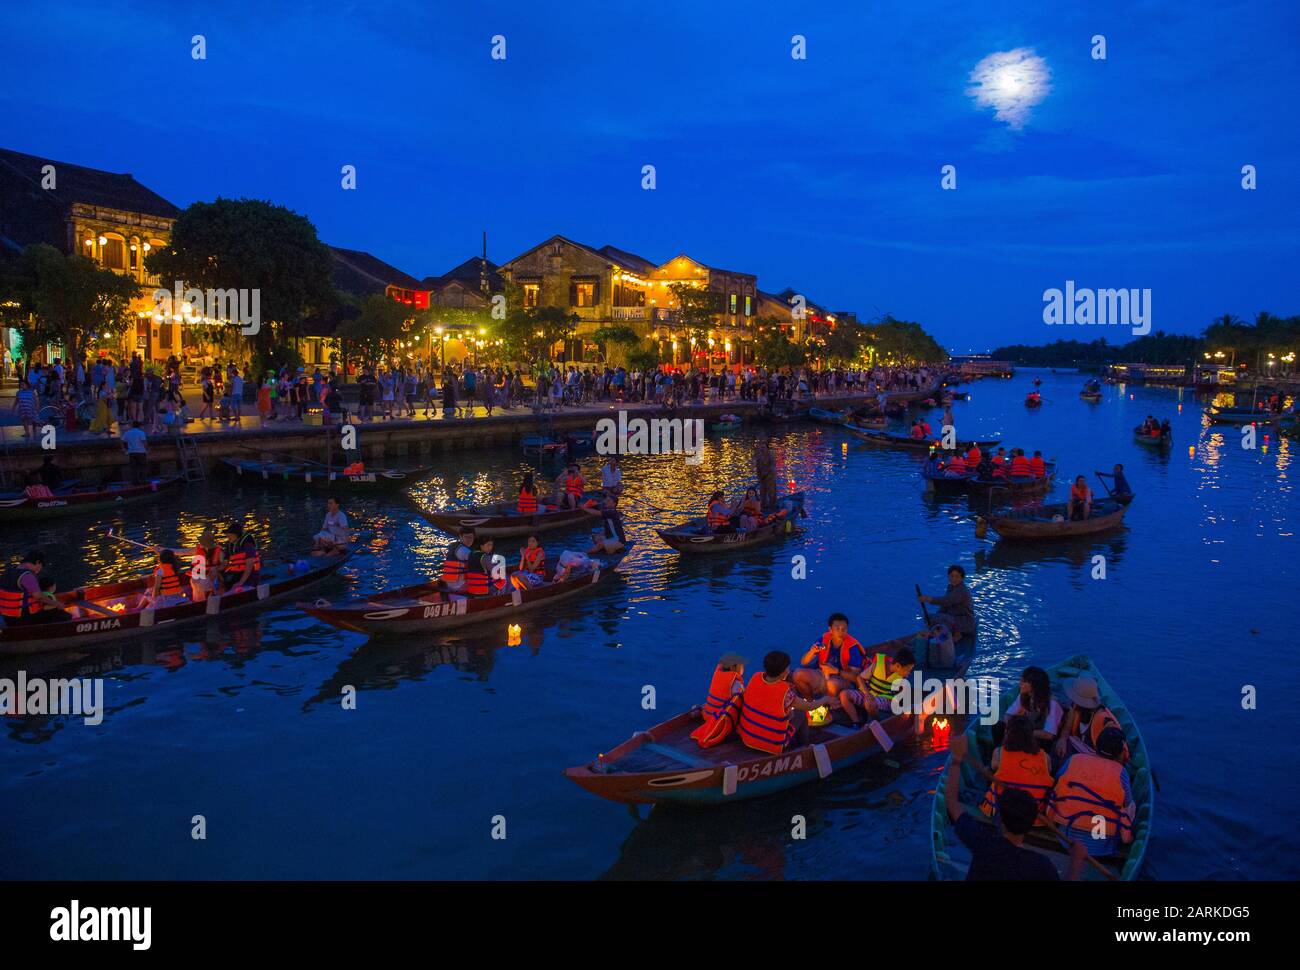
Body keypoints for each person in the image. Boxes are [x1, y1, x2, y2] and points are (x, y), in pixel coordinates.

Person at [943, 733, 1061, 881]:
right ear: (1031, 823)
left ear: (1001, 819)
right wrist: (1076, 860)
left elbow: (951, 802)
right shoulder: (1042, 866)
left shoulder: (982, 842)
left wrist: (956, 760)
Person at [1048, 726, 1135, 880]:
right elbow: (1128, 803)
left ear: (1096, 745)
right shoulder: (1121, 772)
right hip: (1102, 845)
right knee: (1130, 805)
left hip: (1066, 836)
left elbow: (1056, 782)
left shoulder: (1074, 759)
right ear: (1120, 752)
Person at [737, 650, 831, 754]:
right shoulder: (786, 693)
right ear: (782, 672)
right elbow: (809, 706)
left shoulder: (755, 678)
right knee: (800, 713)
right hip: (772, 743)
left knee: (790, 713)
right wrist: (825, 699)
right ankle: (804, 745)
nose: (789, 670)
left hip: (748, 736)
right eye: (787, 668)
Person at [794, 612, 869, 725]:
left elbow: (855, 678)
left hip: (843, 680)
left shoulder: (852, 648)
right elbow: (803, 661)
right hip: (823, 675)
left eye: (844, 629)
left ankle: (825, 713)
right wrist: (812, 652)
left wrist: (836, 671)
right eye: (837, 628)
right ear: (830, 629)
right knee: (797, 674)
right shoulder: (824, 640)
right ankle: (813, 706)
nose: (841, 632)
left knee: (831, 684)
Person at [977, 716, 1054, 818]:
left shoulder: (999, 753)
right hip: (1034, 816)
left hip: (1002, 811)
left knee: (990, 771)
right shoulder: (1045, 757)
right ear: (1031, 736)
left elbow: (993, 767)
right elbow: (1049, 771)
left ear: (1008, 733)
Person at [1052, 674, 1128, 764]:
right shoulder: (1076, 707)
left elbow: (1119, 753)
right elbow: (1068, 724)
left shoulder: (1105, 721)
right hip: (1077, 747)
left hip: (1096, 759)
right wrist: (1063, 739)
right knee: (1056, 749)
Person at [1002, 666, 1063, 748]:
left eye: (1023, 681)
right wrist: (1011, 728)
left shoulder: (1052, 703)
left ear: (1034, 685)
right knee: (998, 727)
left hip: (1043, 741)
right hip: (1029, 732)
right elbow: (1009, 714)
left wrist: (1022, 733)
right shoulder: (1024, 696)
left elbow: (1048, 734)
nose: (1020, 683)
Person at [0, 551, 67, 625]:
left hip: (7, 618)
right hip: (24, 618)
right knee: (63, 615)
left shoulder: (8, 572)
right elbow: (39, 597)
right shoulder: (27, 576)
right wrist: (57, 604)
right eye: (42, 565)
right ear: (38, 562)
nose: (40, 569)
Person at [918, 564, 976, 640]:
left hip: (964, 621)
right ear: (948, 576)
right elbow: (945, 606)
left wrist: (929, 599)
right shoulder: (950, 587)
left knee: (934, 618)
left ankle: (957, 634)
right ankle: (952, 632)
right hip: (955, 616)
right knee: (930, 618)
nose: (954, 579)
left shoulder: (961, 591)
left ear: (962, 578)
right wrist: (937, 616)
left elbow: (946, 600)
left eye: (957, 576)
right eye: (952, 576)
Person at [218, 524, 260, 593]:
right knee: (223, 578)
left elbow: (249, 567)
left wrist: (240, 583)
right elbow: (224, 563)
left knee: (235, 587)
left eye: (230, 533)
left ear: (236, 534)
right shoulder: (230, 546)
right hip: (236, 573)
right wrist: (215, 570)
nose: (227, 535)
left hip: (250, 577)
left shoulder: (247, 545)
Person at [189, 528, 220, 602]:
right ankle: (198, 602)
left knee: (203, 582)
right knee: (195, 580)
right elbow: (182, 552)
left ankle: (206, 600)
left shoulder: (218, 551)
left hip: (212, 577)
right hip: (201, 577)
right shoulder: (199, 549)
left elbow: (221, 565)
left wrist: (213, 572)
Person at [754, 437, 777, 509]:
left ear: (767, 448)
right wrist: (759, 477)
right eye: (761, 447)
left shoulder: (771, 455)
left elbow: (772, 467)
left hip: (770, 478)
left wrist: (767, 474)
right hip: (762, 478)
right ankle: (763, 506)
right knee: (762, 493)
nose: (762, 449)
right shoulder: (759, 457)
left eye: (763, 447)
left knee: (771, 493)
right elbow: (758, 468)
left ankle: (773, 506)